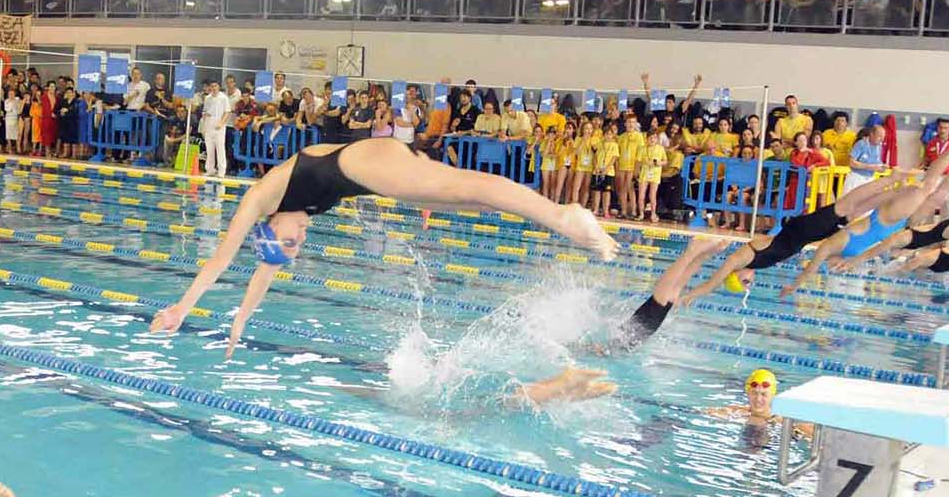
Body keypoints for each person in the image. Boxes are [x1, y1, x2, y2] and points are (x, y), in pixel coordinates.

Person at [150, 136, 619, 357]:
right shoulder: (294, 219)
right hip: (368, 174)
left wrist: (181, 309)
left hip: (355, 161)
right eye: (298, 246)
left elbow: (220, 260)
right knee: (472, 203)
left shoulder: (261, 197)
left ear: (270, 229)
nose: (302, 239)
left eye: (291, 241)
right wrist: (240, 323)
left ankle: (563, 216)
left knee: (460, 186)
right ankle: (548, 214)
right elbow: (264, 275)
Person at [682, 133, 949, 303]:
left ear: (740, 276)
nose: (750, 283)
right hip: (822, 228)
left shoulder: (744, 258)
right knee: (915, 196)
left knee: (924, 189)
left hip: (814, 229)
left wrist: (694, 292)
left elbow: (716, 277)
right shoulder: (756, 257)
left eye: (745, 284)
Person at [199, 78, 231, 177]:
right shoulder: (208, 98)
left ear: (219, 87)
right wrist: (204, 126)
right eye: (212, 86)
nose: (213, 88)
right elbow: (205, 112)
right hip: (209, 125)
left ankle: (221, 170)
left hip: (219, 126)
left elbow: (227, 112)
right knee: (209, 148)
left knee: (220, 148)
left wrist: (221, 123)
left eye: (215, 86)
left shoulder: (223, 98)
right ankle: (210, 169)